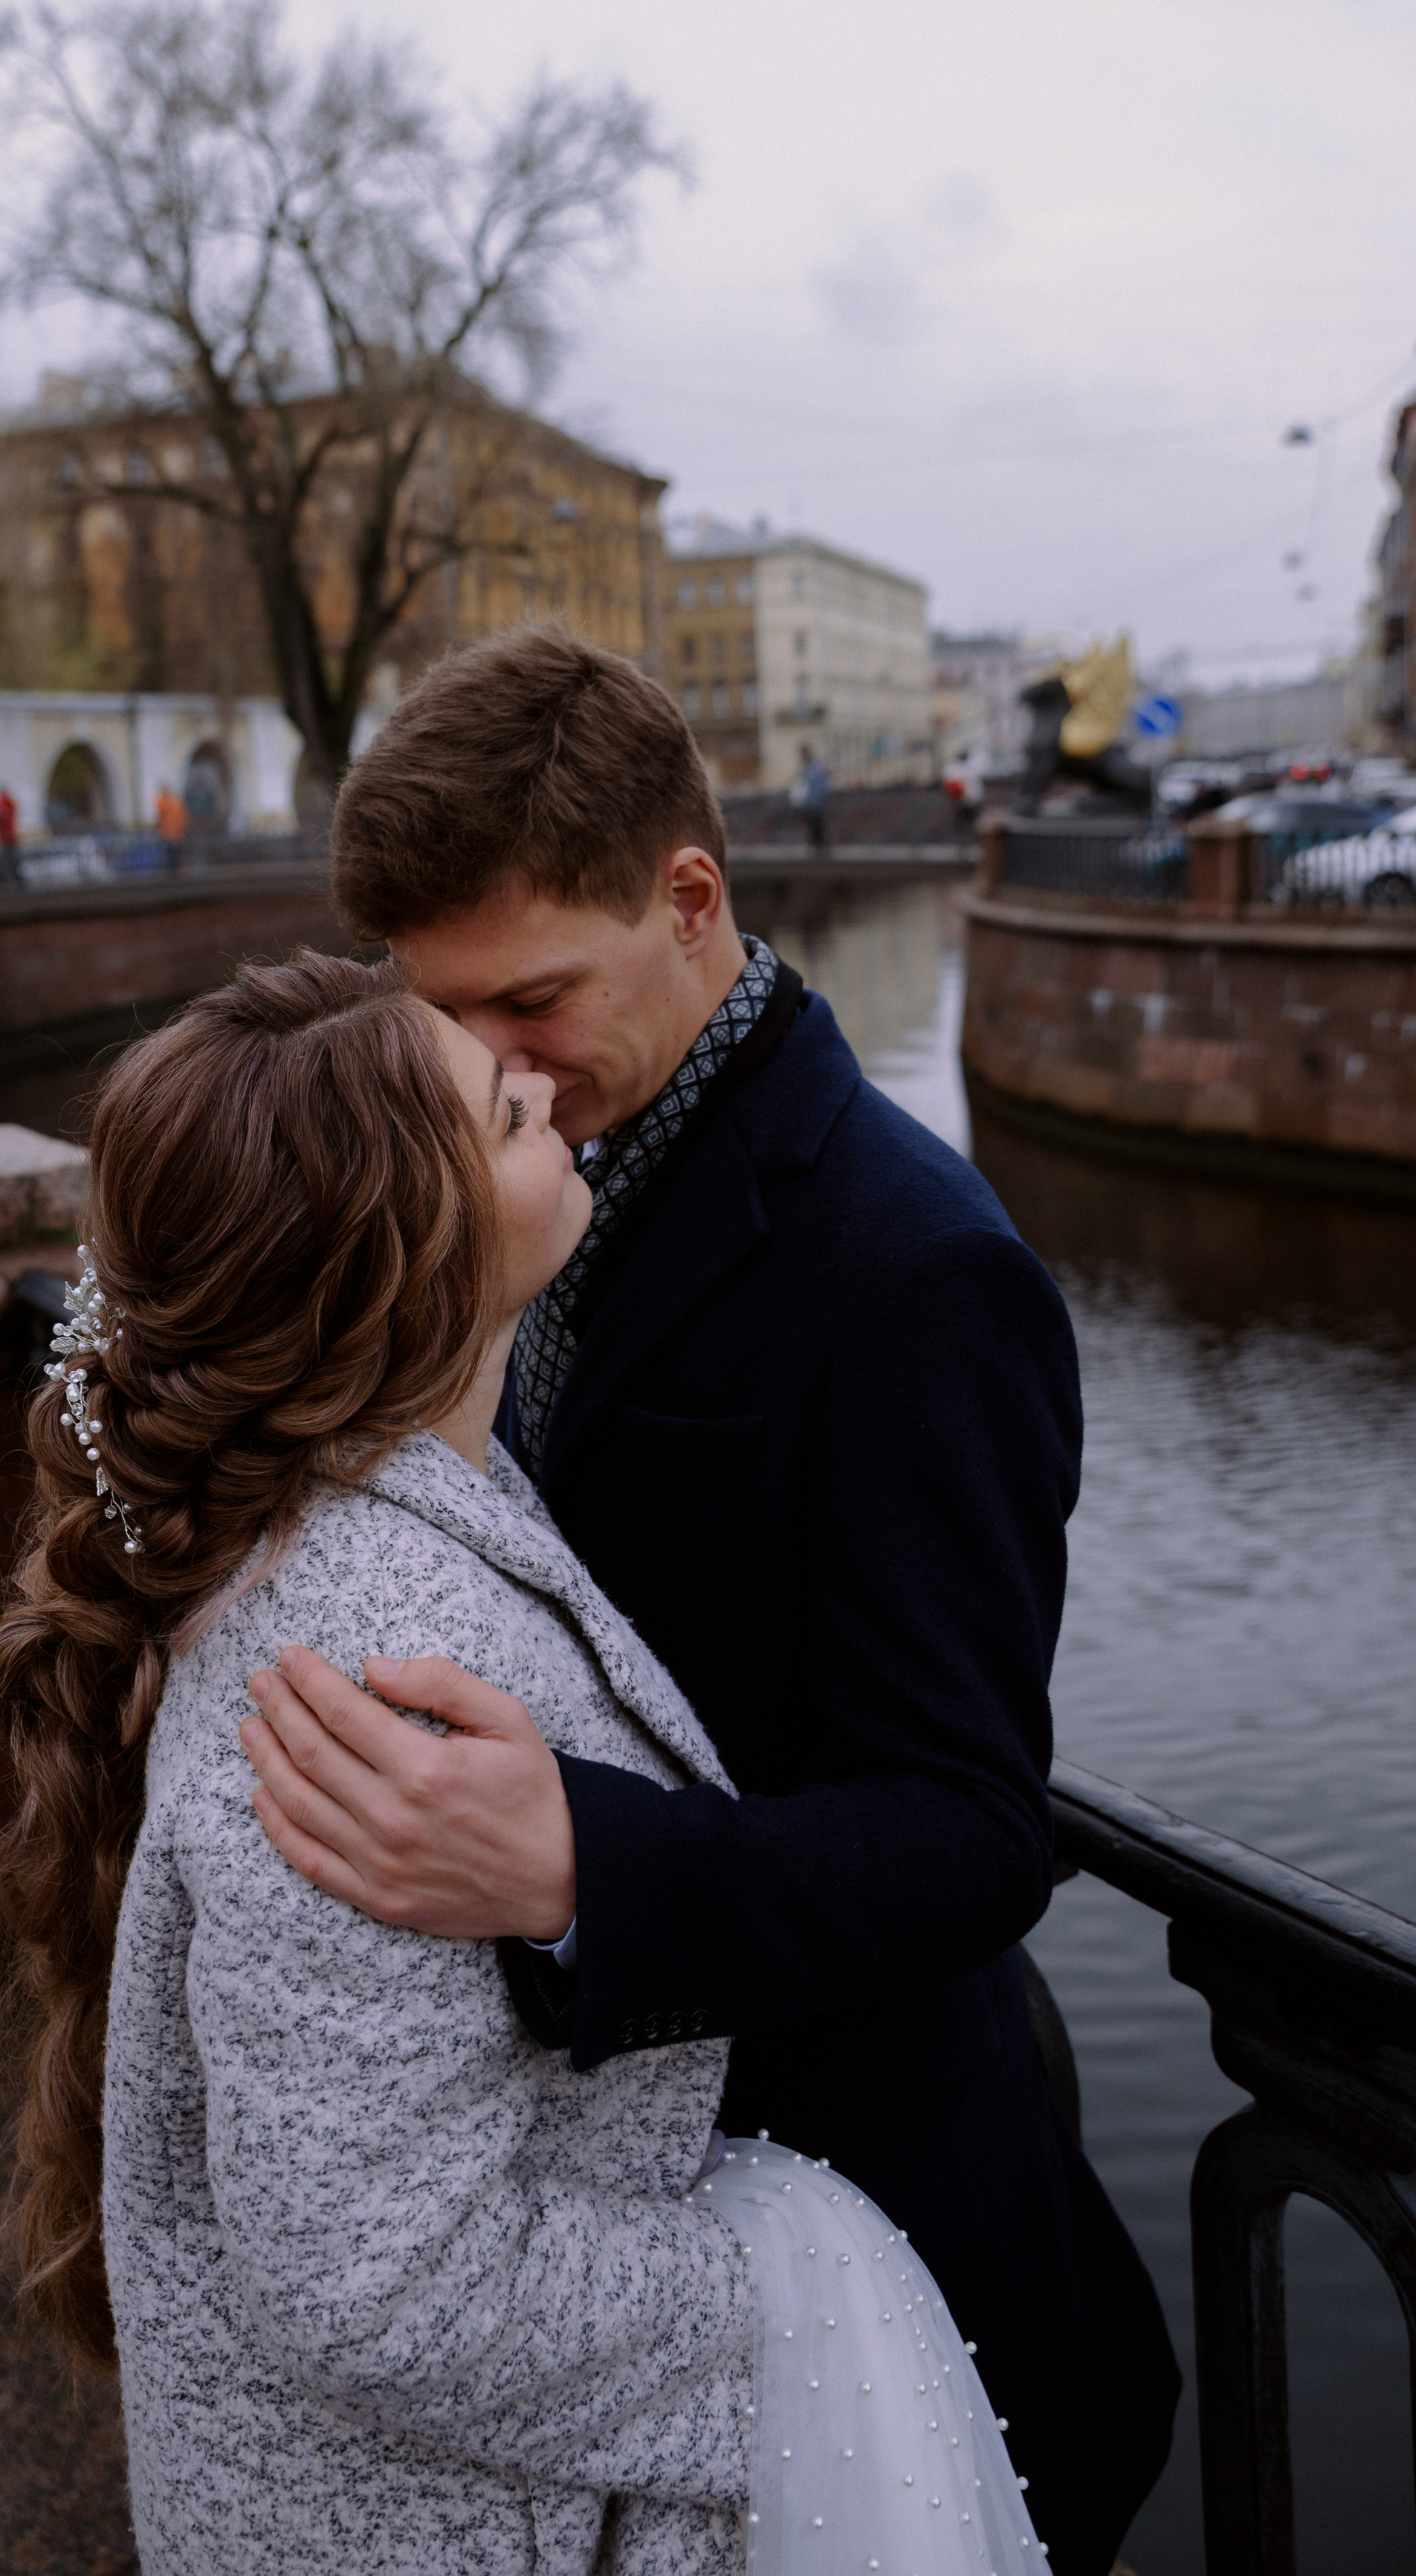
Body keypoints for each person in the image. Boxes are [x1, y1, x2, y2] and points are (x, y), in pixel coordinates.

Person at [239, 628, 1181, 2576]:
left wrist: (585, 1862)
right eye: (446, 1021)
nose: (486, 1070)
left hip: (853, 2216)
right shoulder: (517, 1167)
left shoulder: (918, 1266)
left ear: (692, 901)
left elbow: (975, 1830)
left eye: (532, 1000)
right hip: (596, 2248)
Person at [0, 950, 1041, 2575]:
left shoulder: (375, 1506)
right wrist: (795, 2296)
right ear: (413, 1246)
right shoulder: (365, 1677)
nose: (534, 1080)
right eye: (496, 1109)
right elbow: (378, 2284)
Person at [790, 743, 830, 850]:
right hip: (811, 804)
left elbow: (819, 788)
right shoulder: (808, 769)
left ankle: (818, 848)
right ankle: (817, 848)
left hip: (815, 804)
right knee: (815, 828)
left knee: (816, 827)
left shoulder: (814, 768)